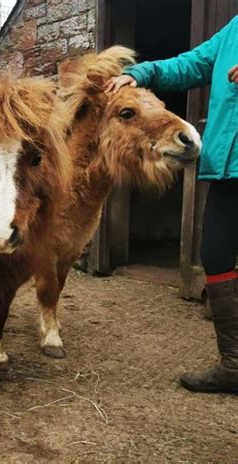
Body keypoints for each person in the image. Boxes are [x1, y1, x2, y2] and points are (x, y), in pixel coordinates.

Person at [105, 16, 238, 393]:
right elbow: (192, 64)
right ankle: (233, 363)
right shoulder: (235, 29)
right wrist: (139, 73)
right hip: (230, 169)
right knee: (215, 256)